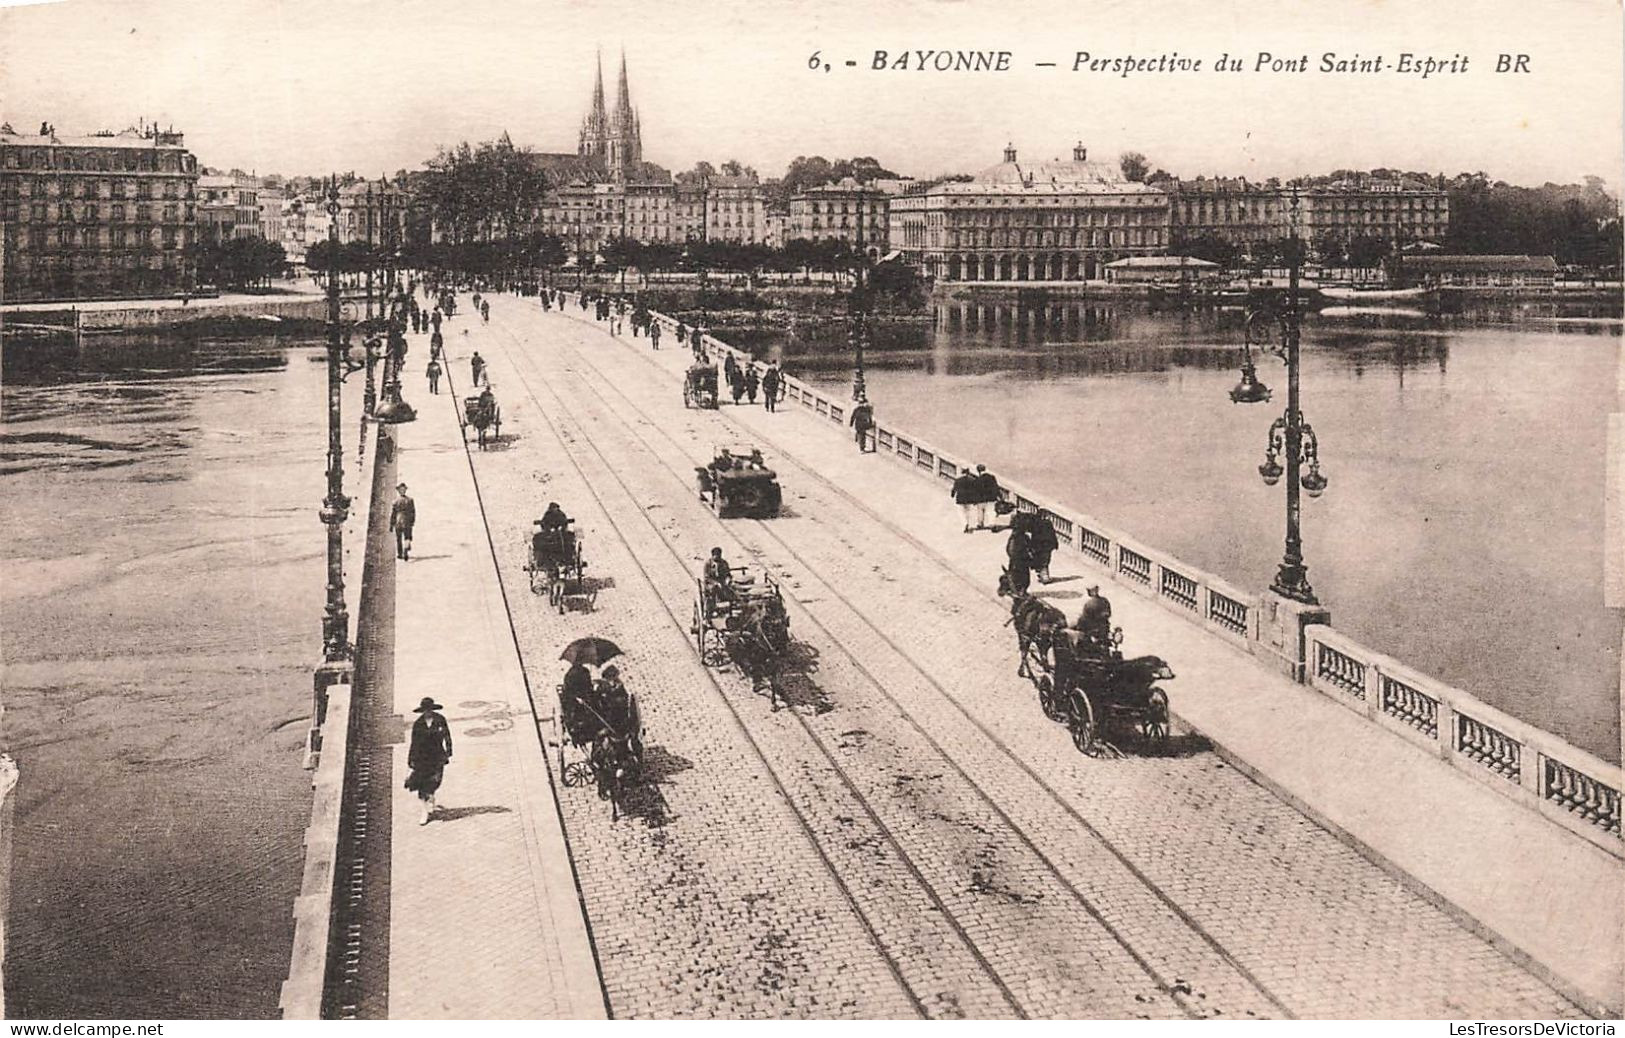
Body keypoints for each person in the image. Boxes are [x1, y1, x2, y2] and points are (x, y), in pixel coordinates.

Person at [404, 697, 454, 825]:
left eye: (430, 710)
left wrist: (448, 750)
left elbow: (447, 735)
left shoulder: (440, 720)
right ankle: (424, 812)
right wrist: (411, 760)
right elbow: (414, 743)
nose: (428, 712)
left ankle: (431, 797)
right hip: (422, 758)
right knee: (421, 785)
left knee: (435, 781)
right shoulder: (418, 724)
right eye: (425, 710)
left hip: (437, 757)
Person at [560, 661, 597, 747]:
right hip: (574, 701)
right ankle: (578, 731)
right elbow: (568, 692)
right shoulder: (570, 675)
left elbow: (589, 687)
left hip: (585, 697)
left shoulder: (585, 671)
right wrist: (576, 698)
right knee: (576, 712)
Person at [1006, 513, 1033, 595]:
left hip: (1016, 561)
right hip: (1020, 561)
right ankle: (1020, 590)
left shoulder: (1015, 537)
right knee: (1023, 577)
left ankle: (1017, 589)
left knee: (1016, 575)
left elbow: (1009, 549)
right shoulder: (1021, 538)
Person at [1029, 512, 1060, 583]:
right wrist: (1055, 544)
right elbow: (1052, 534)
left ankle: (1042, 576)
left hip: (1038, 546)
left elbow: (1034, 536)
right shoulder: (1048, 523)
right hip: (1046, 546)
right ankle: (1045, 578)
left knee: (1039, 561)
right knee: (1045, 562)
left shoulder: (1035, 523)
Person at [389, 482, 415, 560]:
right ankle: (406, 548)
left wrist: (391, 524)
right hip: (407, 520)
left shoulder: (395, 501)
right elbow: (413, 512)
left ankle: (400, 554)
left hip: (398, 520)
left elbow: (393, 513)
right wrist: (412, 521)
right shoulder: (410, 500)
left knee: (399, 538)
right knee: (407, 536)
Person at [951, 467, 980, 532]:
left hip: (960, 499)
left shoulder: (958, 480)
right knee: (967, 513)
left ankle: (965, 524)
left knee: (961, 513)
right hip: (969, 499)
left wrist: (952, 495)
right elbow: (975, 491)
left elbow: (954, 489)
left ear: (962, 473)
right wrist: (976, 500)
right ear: (968, 473)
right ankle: (967, 523)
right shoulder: (972, 480)